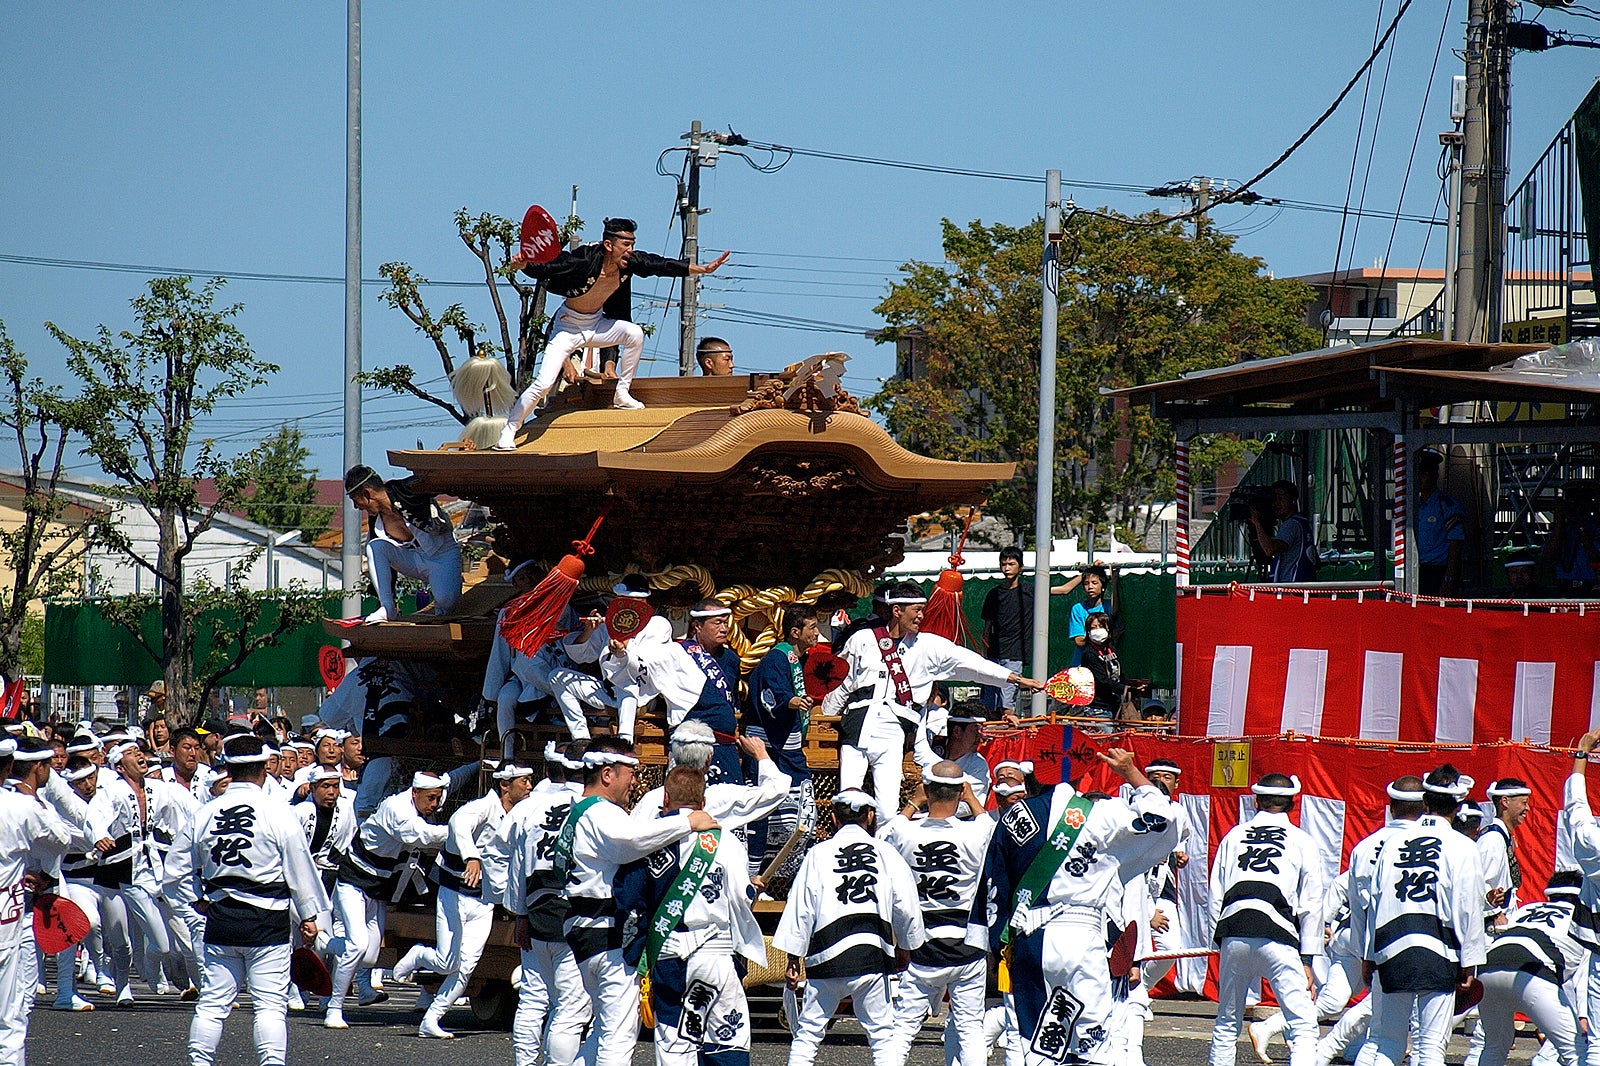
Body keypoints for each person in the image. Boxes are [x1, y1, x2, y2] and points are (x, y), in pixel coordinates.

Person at [970, 746, 1180, 1066]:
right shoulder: (1101, 813)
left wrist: (994, 942)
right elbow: (1162, 820)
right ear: (1083, 774)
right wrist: (1131, 773)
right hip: (1086, 934)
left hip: (1030, 934)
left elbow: (995, 882)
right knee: (1093, 1037)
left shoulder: (1015, 816)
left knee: (1035, 1041)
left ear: (1034, 775)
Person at [166, 734, 329, 1066]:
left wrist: (196, 904)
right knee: (269, 1005)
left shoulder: (205, 813)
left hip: (220, 918)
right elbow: (300, 869)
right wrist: (311, 916)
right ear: (262, 770)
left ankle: (199, 1063)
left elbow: (173, 872)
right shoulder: (278, 813)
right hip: (267, 921)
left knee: (212, 1004)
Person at [558, 737, 720, 1066]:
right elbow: (630, 841)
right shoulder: (601, 813)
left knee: (604, 1028)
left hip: (584, 931)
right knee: (617, 1037)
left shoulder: (576, 813)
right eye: (630, 771)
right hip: (607, 934)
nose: (635, 780)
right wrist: (689, 822)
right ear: (607, 774)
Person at [498, 217, 730, 444]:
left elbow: (661, 265)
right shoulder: (585, 259)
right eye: (626, 244)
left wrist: (701, 269)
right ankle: (509, 430)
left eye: (632, 244)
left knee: (634, 334)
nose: (630, 250)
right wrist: (525, 265)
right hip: (568, 326)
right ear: (609, 245)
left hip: (597, 325)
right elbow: (552, 266)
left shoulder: (630, 263)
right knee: (544, 382)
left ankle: (622, 393)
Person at [825, 582, 1041, 820]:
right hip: (857, 725)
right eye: (916, 610)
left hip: (894, 732)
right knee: (848, 799)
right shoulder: (863, 638)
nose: (921, 615)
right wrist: (825, 714)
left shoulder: (928, 646)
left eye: (922, 609)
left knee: (887, 808)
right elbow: (842, 679)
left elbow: (971, 663)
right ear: (897, 610)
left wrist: (1014, 679)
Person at [615, 765, 765, 1066]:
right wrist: (751, 890)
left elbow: (630, 901)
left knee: (676, 1048)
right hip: (718, 956)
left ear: (665, 799)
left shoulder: (649, 838)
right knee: (727, 1044)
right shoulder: (726, 841)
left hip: (670, 956)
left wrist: (635, 957)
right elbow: (741, 899)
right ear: (704, 802)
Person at [774, 788, 926, 1066]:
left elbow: (800, 907)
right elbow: (906, 906)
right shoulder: (885, 852)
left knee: (808, 1033)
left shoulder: (818, 854)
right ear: (870, 816)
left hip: (826, 955)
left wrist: (793, 957)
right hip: (872, 953)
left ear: (833, 818)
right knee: (882, 1035)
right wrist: (906, 947)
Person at [1348, 764, 1486, 1066]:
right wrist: (1471, 961)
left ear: (1425, 802)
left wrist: (1368, 954)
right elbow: (1468, 907)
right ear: (1458, 807)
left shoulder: (1391, 843)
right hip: (1438, 951)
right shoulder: (1463, 846)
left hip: (1391, 948)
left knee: (1387, 1042)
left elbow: (1377, 900)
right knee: (1431, 1048)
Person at [394, 761, 535, 1039]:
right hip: (454, 893)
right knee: (448, 962)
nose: (529, 785)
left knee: (467, 965)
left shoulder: (523, 812)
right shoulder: (483, 806)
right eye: (523, 781)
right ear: (505, 785)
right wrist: (472, 856)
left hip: (485, 901)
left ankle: (432, 1019)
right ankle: (421, 954)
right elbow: (459, 824)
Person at [881, 762, 995, 1066]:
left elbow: (882, 837)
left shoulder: (904, 832)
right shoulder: (976, 832)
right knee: (971, 1029)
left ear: (926, 790)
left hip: (922, 943)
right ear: (961, 791)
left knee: (902, 1029)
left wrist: (913, 803)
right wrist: (971, 799)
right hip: (967, 941)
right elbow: (989, 827)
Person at [1208, 773, 1323, 1066]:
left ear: (1256, 801)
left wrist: (1219, 942)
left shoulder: (1234, 835)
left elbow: (1215, 895)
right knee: (1302, 1023)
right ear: (1292, 804)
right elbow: (1311, 904)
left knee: (1227, 1021)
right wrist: (1307, 958)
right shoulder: (1301, 840)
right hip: (1279, 936)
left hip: (1234, 931)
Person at [324, 770, 450, 1029]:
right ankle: (333, 1008)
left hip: (378, 886)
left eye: (438, 799)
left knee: (369, 957)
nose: (434, 805)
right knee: (358, 946)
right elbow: (422, 836)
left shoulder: (416, 807)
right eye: (431, 798)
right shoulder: (397, 808)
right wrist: (461, 830)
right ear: (415, 793)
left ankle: (326, 943)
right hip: (354, 878)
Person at [501, 742, 592, 1066]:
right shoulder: (592, 807)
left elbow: (516, 864)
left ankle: (526, 1064)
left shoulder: (530, 806)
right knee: (569, 1008)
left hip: (535, 913)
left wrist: (519, 915)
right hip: (572, 916)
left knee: (533, 998)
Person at [86, 740, 189, 1002]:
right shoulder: (112, 792)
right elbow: (95, 817)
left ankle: (156, 972)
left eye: (139, 752)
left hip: (151, 868)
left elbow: (185, 814)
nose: (139, 756)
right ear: (120, 767)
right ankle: (123, 986)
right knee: (119, 936)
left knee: (163, 941)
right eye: (132, 754)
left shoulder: (160, 789)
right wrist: (99, 836)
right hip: (117, 871)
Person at [0, 737, 72, 1061]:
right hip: (5, 926)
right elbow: (61, 839)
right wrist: (34, 799)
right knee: (10, 1017)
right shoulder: (21, 806)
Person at [1471, 871, 1584, 1066]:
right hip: (1533, 971)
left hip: (1488, 967)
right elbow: (1584, 977)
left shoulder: (1527, 909)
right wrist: (1583, 1014)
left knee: (1494, 1047)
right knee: (1577, 1052)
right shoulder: (1584, 918)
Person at [632, 601, 746, 784]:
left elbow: (731, 703)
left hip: (726, 747)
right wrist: (621, 653)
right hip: (691, 746)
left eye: (726, 623)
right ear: (698, 626)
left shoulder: (731, 659)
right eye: (717, 623)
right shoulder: (676, 654)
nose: (724, 628)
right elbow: (638, 665)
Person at [745, 605, 819, 879]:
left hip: (788, 747)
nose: (817, 633)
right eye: (812, 627)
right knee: (763, 808)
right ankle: (756, 876)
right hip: (769, 746)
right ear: (795, 632)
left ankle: (792, 876)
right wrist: (791, 701)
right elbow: (771, 692)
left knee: (801, 807)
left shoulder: (797, 658)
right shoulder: (776, 658)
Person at [343, 463, 463, 624]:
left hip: (442, 555)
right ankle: (387, 608)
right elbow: (382, 563)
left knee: (446, 601)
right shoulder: (375, 520)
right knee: (375, 546)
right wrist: (386, 596)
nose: (356, 507)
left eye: (355, 499)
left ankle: (448, 588)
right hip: (412, 559)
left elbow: (438, 481)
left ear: (367, 493)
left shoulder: (407, 489)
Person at [980, 546, 1033, 711]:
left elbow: (1063, 590)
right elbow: (987, 627)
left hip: (1015, 654)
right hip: (994, 653)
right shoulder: (994, 594)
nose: (1007, 568)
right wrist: (984, 653)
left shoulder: (1029, 591)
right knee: (989, 701)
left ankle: (1007, 732)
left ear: (1020, 566)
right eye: (1004, 564)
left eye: (1011, 564)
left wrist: (1086, 572)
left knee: (1007, 701)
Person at [1415, 449, 1467, 597]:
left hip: (1438, 572)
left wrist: (1448, 579)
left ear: (1434, 475)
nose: (1420, 479)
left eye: (1424, 474)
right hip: (1417, 571)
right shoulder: (1413, 506)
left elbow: (1456, 542)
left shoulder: (1447, 506)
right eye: (1418, 474)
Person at [1478, 778, 1529, 928]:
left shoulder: (1502, 836)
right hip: (1490, 930)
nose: (1528, 809)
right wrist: (1493, 913)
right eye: (1524, 803)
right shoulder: (1492, 839)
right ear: (1505, 802)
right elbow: (1476, 884)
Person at [1248, 481, 1316, 585]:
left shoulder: (1291, 524)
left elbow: (1269, 549)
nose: (1276, 504)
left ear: (1293, 500)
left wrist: (1257, 523)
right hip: (1300, 586)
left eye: (1281, 498)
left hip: (1291, 588)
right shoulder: (1303, 522)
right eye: (1274, 499)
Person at [1544, 485, 1599, 595]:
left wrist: (1580, 525)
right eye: (1572, 503)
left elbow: (1596, 557)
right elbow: (1549, 557)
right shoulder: (1562, 530)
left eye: (1581, 503)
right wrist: (1559, 523)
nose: (1575, 507)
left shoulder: (1596, 528)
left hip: (1590, 585)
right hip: (1564, 586)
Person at [1062, 565, 1113, 666]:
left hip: (1105, 664)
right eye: (1086, 583)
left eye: (1094, 583)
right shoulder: (1078, 609)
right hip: (1081, 666)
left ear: (1103, 586)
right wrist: (1103, 638)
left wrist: (1114, 578)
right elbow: (1079, 641)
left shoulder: (1109, 606)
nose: (1090, 587)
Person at [1079, 613, 1125, 726]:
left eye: (1101, 626)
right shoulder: (1089, 654)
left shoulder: (1111, 650)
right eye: (1093, 627)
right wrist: (1126, 689)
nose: (1097, 630)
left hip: (1114, 706)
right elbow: (1102, 681)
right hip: (1097, 709)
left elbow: (1118, 675)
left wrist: (1131, 685)